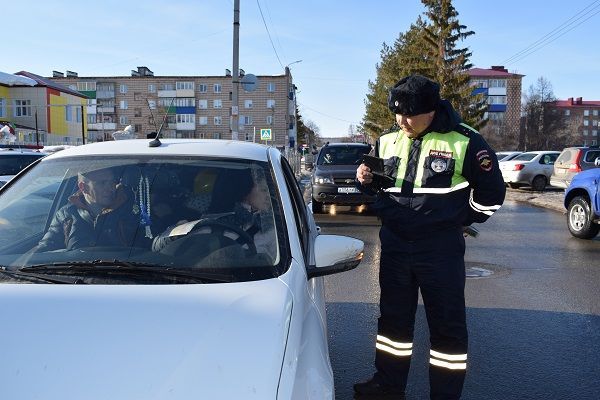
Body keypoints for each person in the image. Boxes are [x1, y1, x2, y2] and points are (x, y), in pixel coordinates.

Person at [354, 74, 506, 400]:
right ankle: (387, 386)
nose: (402, 121)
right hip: (394, 247)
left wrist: (458, 221)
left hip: (440, 251)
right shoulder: (387, 140)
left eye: (409, 114)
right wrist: (365, 178)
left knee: (447, 329)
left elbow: (492, 194)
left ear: (432, 110)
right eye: (397, 113)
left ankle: (445, 395)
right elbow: (379, 186)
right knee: (393, 325)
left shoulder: (465, 141)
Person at [37, 168, 140, 252]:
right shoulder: (66, 215)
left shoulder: (131, 211)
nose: (111, 188)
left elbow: (149, 242)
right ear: (83, 187)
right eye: (102, 183)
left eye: (112, 182)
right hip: (74, 276)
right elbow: (45, 249)